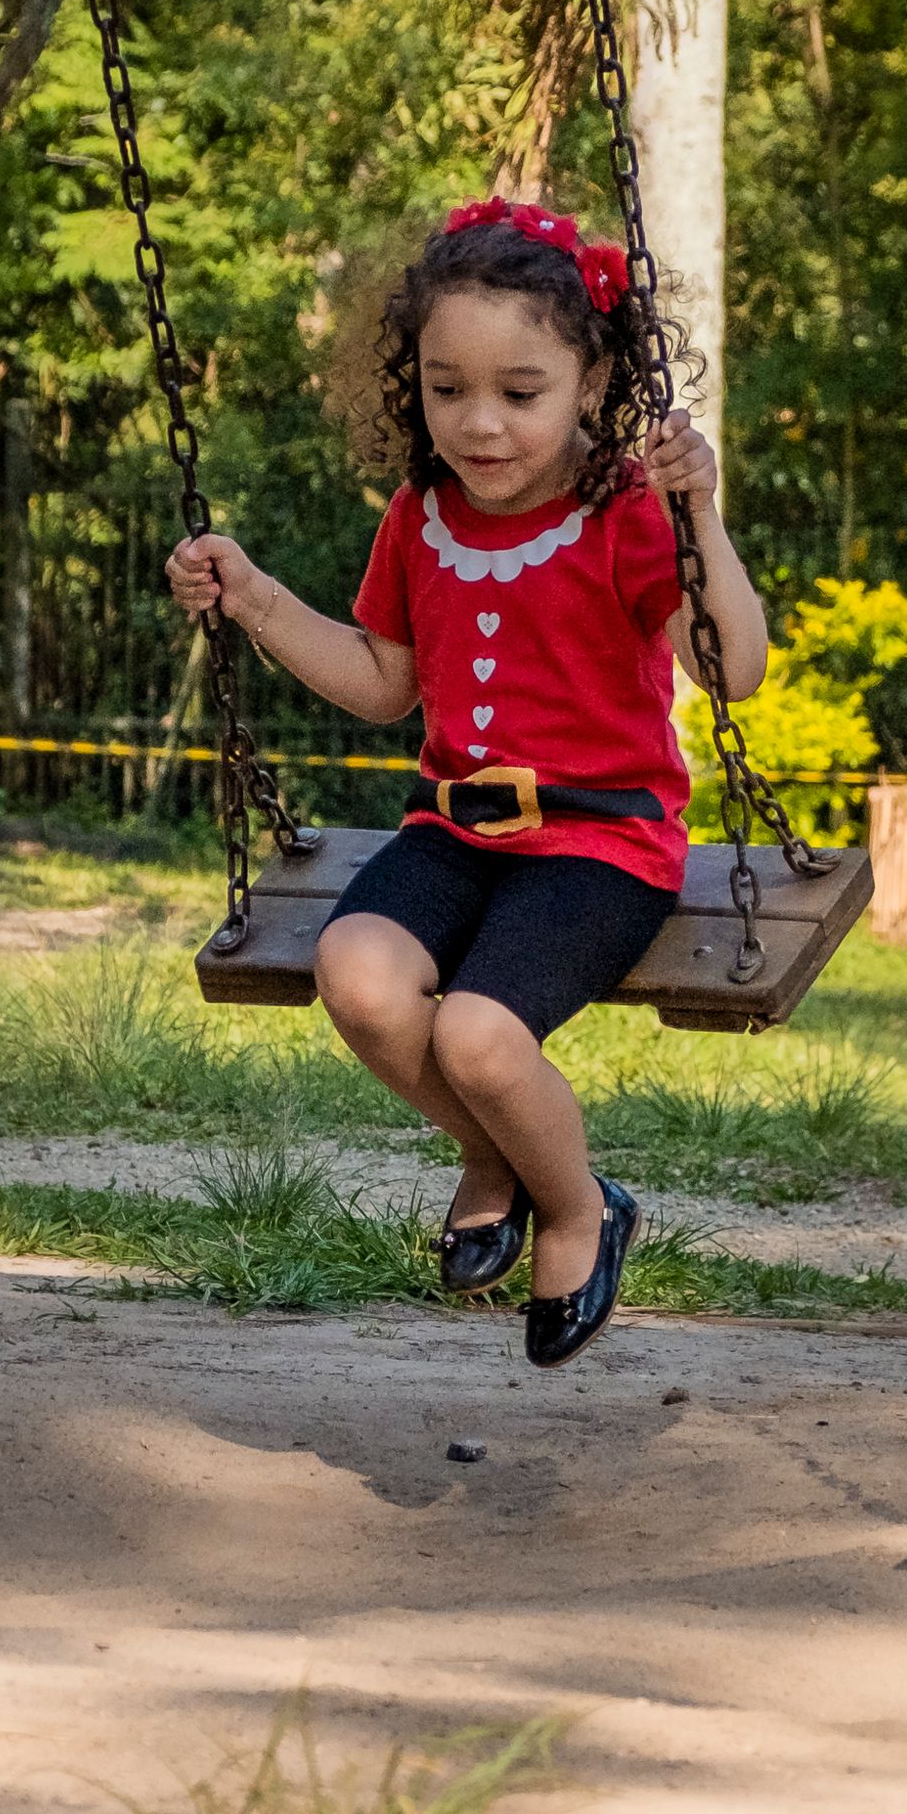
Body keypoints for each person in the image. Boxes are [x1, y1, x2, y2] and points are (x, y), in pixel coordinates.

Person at [165, 199, 769, 1367]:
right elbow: (388, 681)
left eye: (520, 393)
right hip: (455, 829)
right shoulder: (420, 515)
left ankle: (585, 1208)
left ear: (592, 382)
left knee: (485, 1038)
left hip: (601, 844)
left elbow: (732, 669)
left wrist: (700, 512)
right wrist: (256, 597)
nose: (481, 424)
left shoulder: (629, 512)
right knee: (360, 975)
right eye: (449, 391)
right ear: (418, 386)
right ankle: (497, 1156)